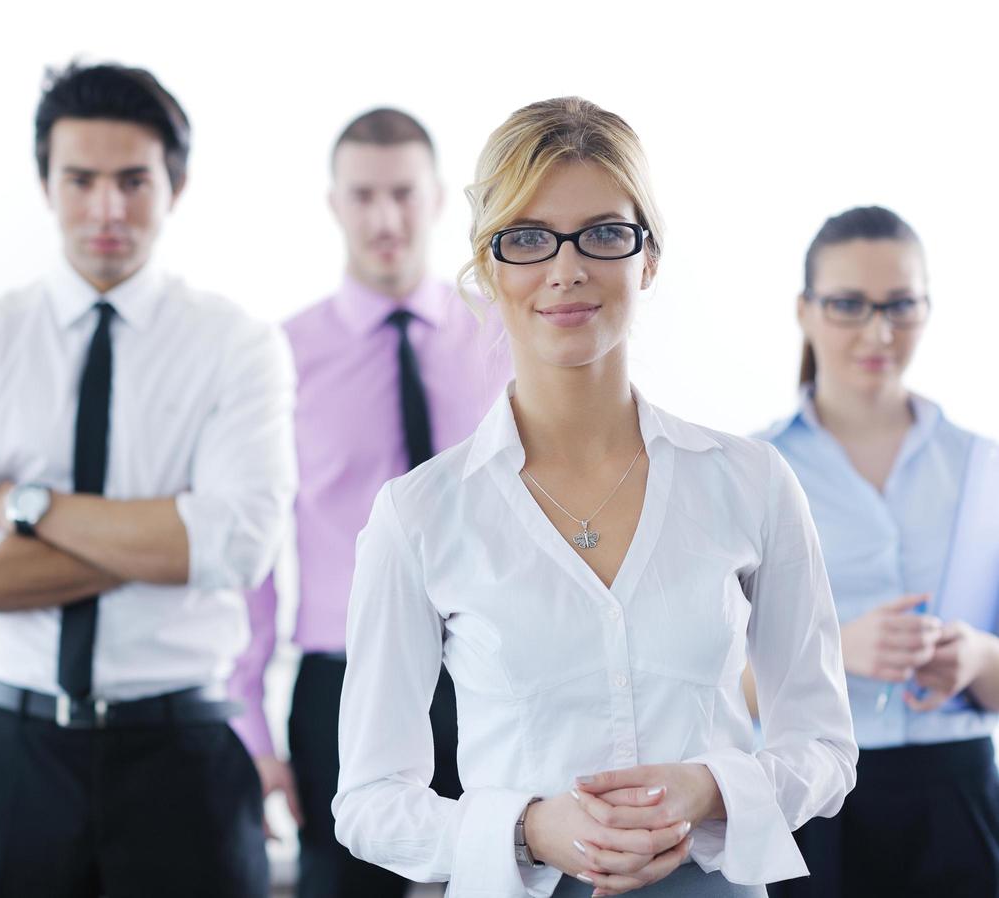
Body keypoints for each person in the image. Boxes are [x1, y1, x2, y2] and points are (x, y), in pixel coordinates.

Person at [332, 97, 858, 898]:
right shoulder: (420, 515)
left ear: (648, 258)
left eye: (605, 234)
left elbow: (823, 747)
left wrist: (708, 788)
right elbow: (368, 802)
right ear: (489, 264)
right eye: (528, 238)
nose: (566, 268)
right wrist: (530, 827)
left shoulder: (751, 483)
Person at [0, 62, 296, 898]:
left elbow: (240, 545)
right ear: (46, 184)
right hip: (12, 754)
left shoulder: (237, 346)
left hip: (183, 753)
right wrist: (171, 537)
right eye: (81, 180)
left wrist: (28, 512)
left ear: (173, 187)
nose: (107, 209)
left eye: (133, 181)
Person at [227, 107, 512, 897]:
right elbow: (254, 550)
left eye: (402, 194)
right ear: (334, 205)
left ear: (437, 200)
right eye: (363, 196)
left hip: (495, 669)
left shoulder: (505, 341)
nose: (385, 218)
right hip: (342, 681)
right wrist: (250, 726)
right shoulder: (280, 358)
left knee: (511, 878)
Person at [759, 206, 999, 898]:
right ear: (805, 311)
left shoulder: (982, 469)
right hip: (809, 798)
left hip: (956, 792)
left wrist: (979, 657)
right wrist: (828, 651)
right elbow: (704, 678)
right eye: (848, 306)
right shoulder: (754, 470)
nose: (878, 332)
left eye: (901, 305)